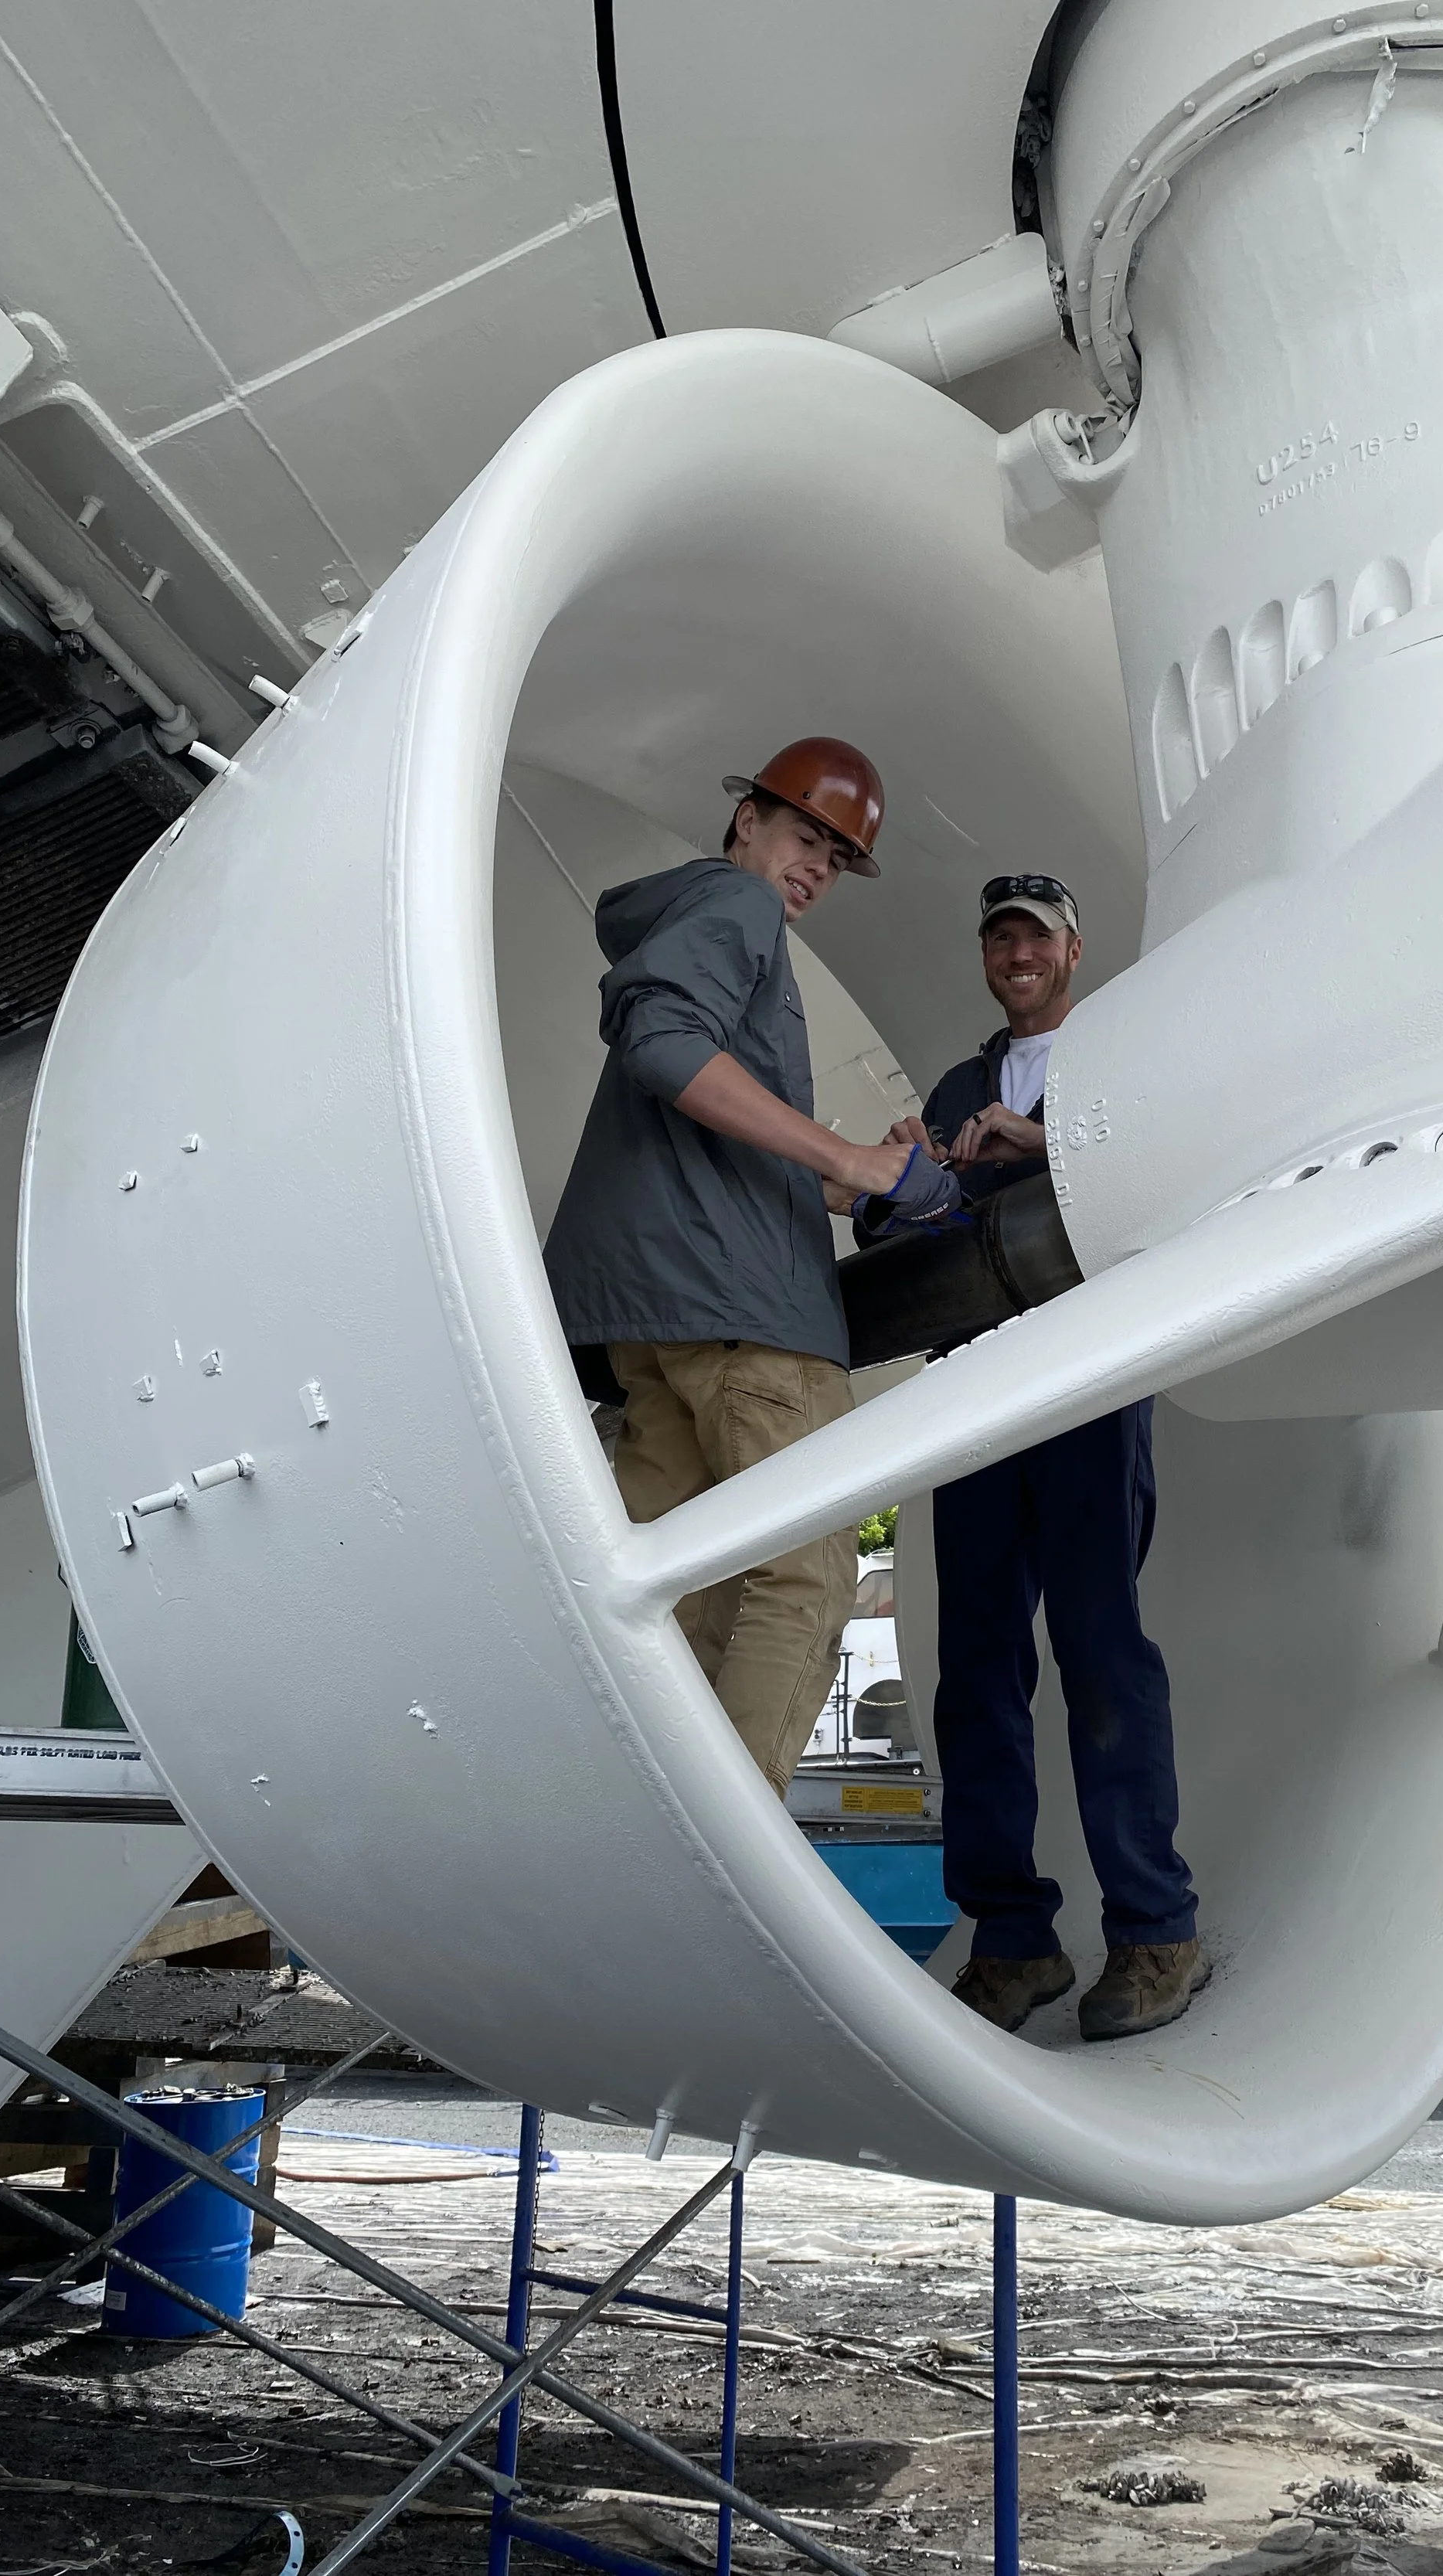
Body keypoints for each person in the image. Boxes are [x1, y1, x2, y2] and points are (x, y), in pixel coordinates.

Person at [543, 738, 958, 1794]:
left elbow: (704, 1115)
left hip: (664, 1322)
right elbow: (666, 1048)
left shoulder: (695, 918)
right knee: (805, 1581)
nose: (816, 867)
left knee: (666, 1598)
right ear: (747, 822)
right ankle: (723, 1877)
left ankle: (621, 1831)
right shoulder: (738, 909)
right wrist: (849, 1154)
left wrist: (856, 1183)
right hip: (748, 1326)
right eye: (806, 836)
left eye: (836, 858)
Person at [856, 875, 1205, 2040]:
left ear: (1073, 951)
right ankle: (1012, 1942)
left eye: (1036, 939)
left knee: (1101, 1649)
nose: (1017, 954)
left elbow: (1174, 1185)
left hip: (1087, 1387)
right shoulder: (958, 1085)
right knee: (977, 1670)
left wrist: (1041, 1142)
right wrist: (904, 1168)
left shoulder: (1120, 1063)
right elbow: (888, 1221)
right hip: (977, 1394)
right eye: (999, 937)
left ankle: (1157, 1933)